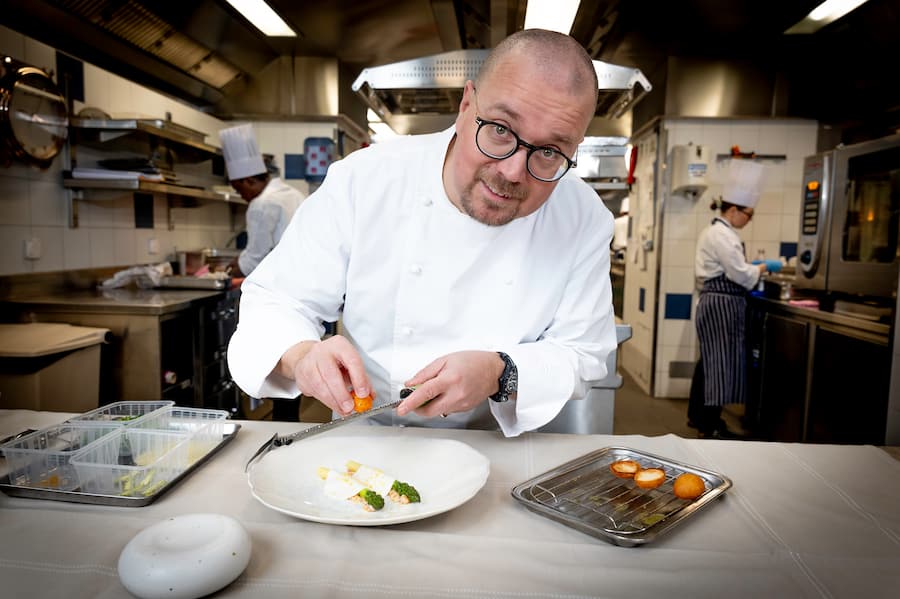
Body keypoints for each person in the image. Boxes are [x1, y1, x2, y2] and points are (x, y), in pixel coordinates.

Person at [227, 29, 618, 437]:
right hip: (366, 437)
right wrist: (302, 355)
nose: (512, 172)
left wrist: (499, 373)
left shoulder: (582, 216)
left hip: (500, 449)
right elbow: (278, 299)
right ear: (466, 105)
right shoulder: (367, 179)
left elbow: (583, 352)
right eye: (501, 129)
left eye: (550, 152)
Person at [688, 160, 780, 439]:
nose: (748, 220)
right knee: (719, 365)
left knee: (710, 363)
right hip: (721, 304)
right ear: (733, 209)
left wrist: (753, 266)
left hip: (717, 303)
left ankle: (701, 419)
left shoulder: (719, 233)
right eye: (748, 215)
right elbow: (741, 274)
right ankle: (710, 425)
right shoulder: (722, 235)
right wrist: (764, 267)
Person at [219, 124, 306, 277]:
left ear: (249, 180)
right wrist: (241, 261)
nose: (241, 196)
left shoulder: (261, 204)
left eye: (239, 190)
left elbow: (255, 259)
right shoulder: (294, 194)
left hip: (285, 280)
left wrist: (228, 273)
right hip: (304, 276)